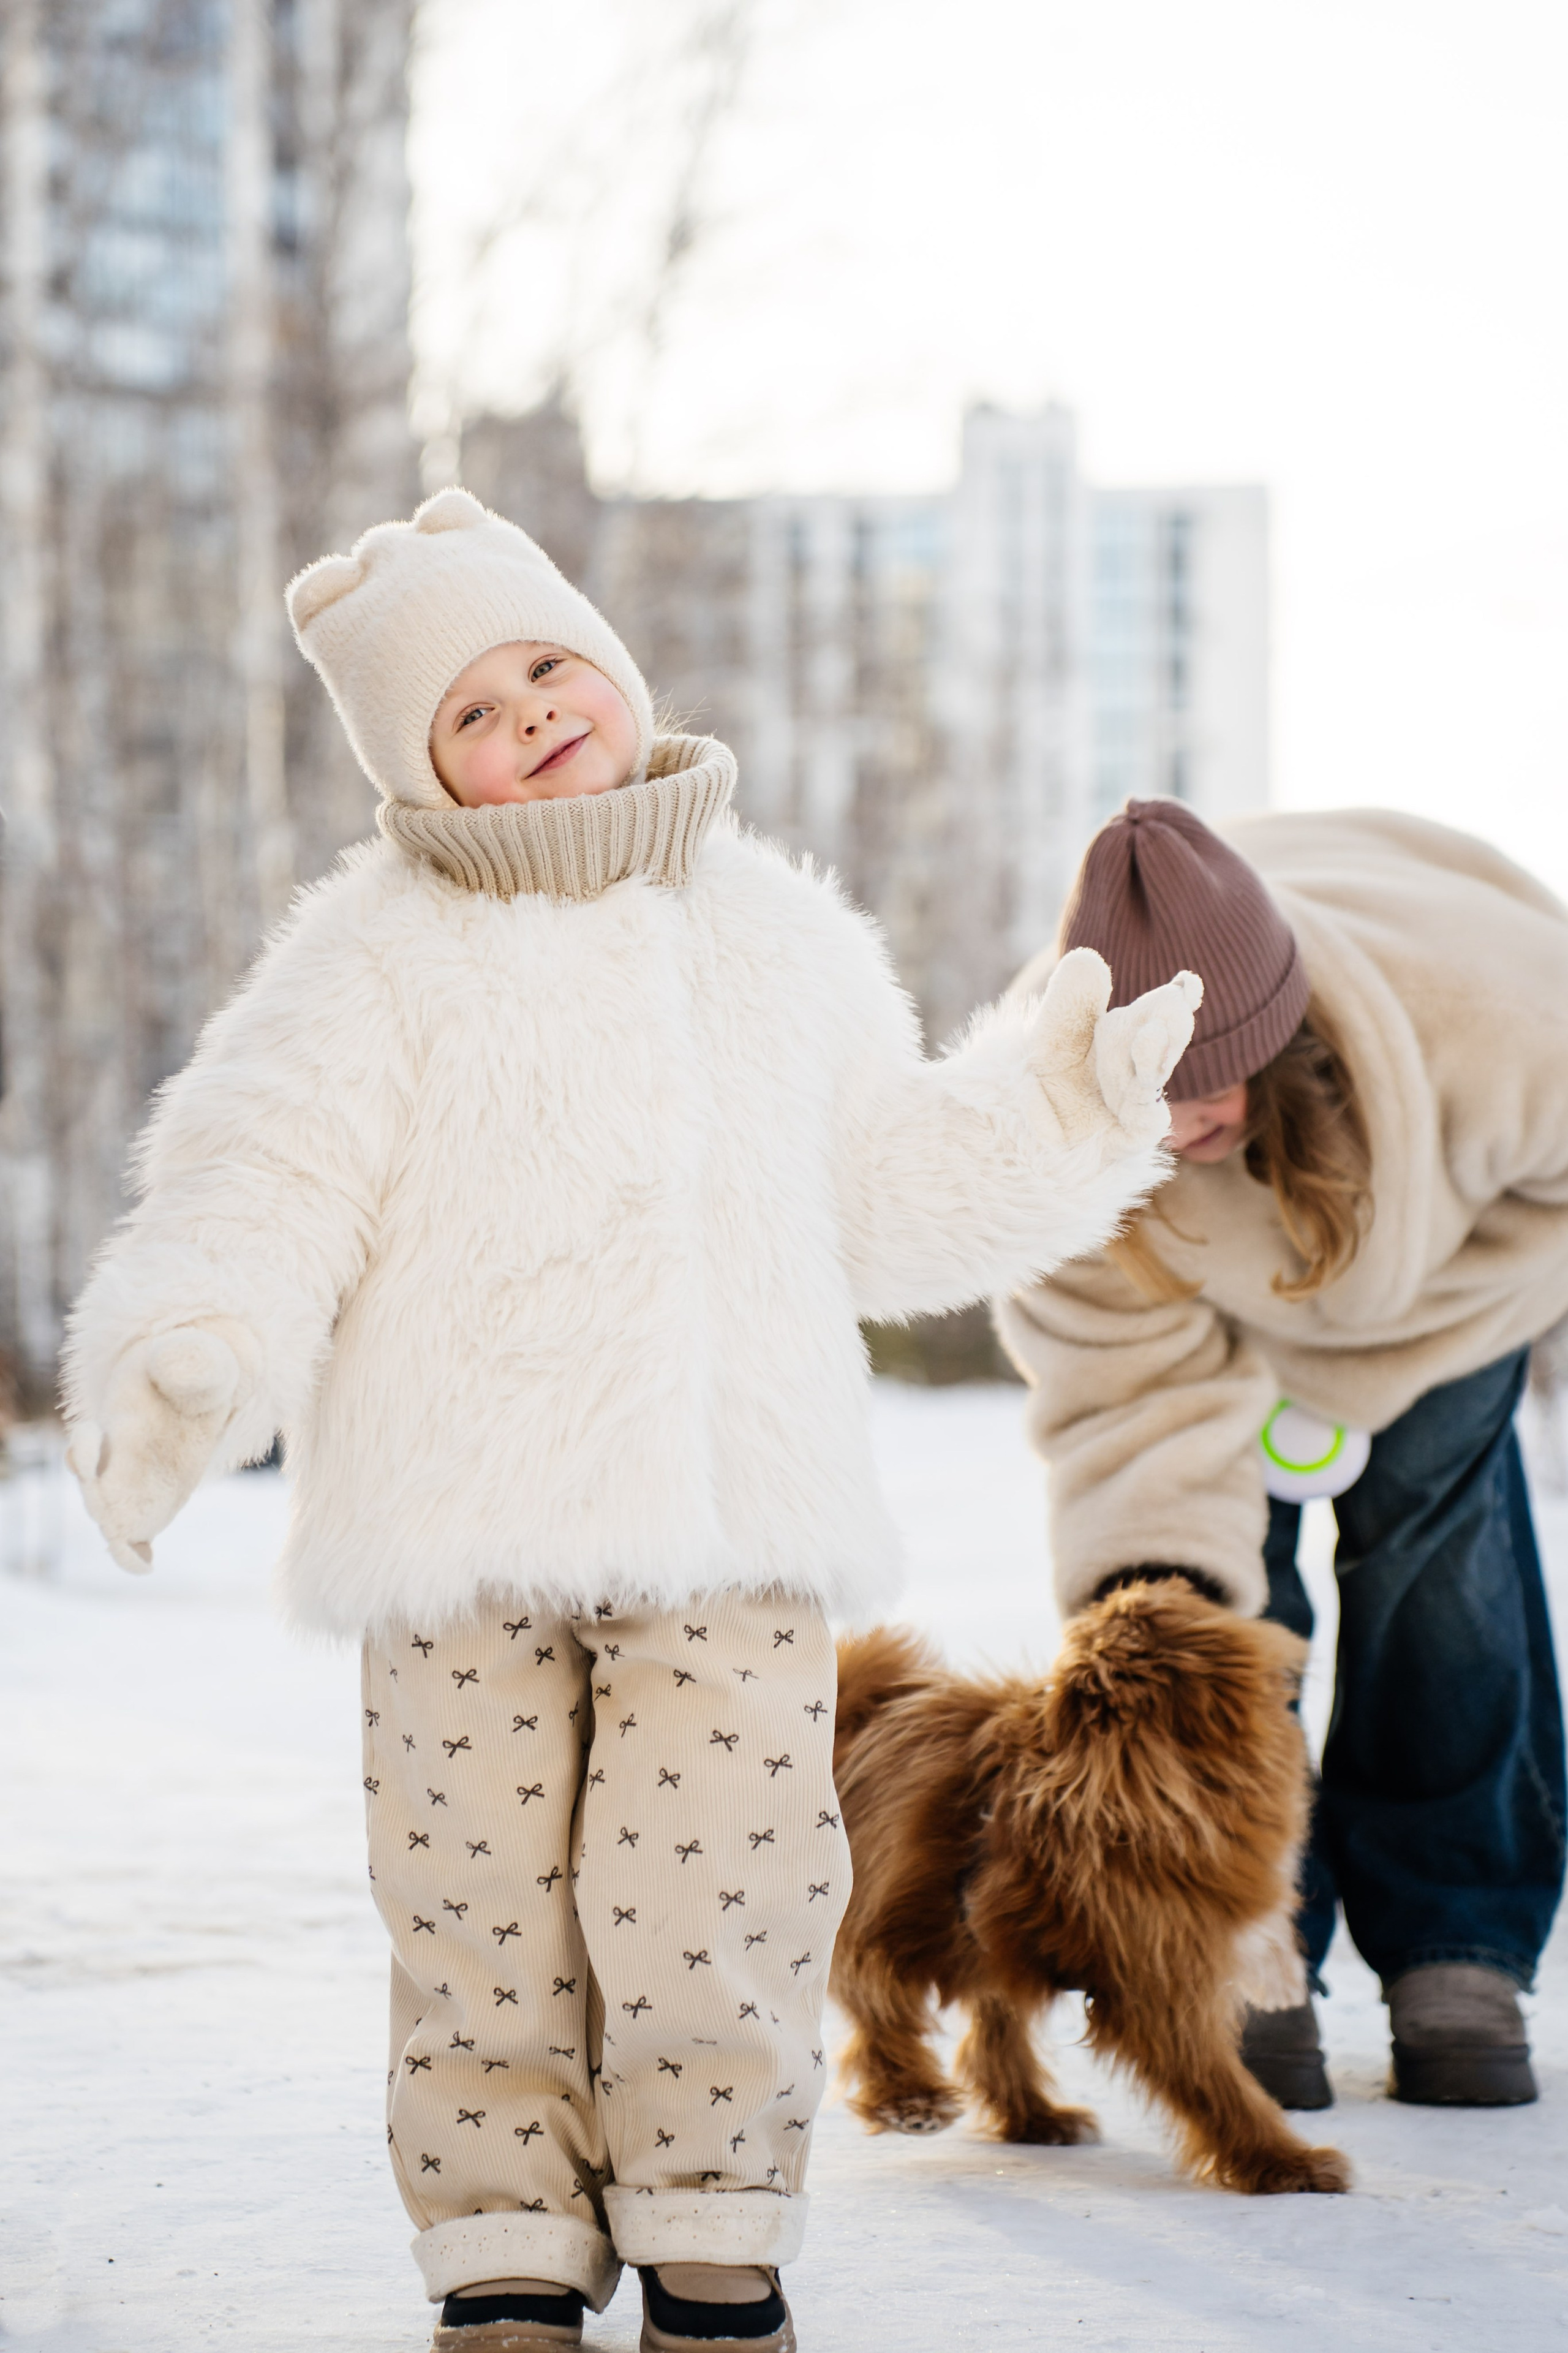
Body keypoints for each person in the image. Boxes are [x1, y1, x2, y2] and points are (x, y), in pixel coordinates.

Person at [63, 491, 1199, 2353]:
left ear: (614, 662)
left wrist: (1062, 1104)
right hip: (457, 1531)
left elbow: (889, 1191)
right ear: (420, 773)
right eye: (470, 712)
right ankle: (503, 2247)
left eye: (545, 663)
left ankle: (715, 2229)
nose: (527, 711)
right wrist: (187, 1347)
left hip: (727, 1520)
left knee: (721, 1894)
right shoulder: (369, 957)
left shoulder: (776, 934)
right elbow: (262, 1167)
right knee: (474, 1906)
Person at [999, 796, 1568, 2114]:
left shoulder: (1501, 1026)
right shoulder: (1035, 1120)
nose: (1167, 1118)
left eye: (1194, 1082)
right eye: (1136, 1085)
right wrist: (1162, 1594)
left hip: (1441, 1274)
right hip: (1192, 1327)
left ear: (1273, 1041)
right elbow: (1119, 1391)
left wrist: (1406, 1345)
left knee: (1438, 1566)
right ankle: (1242, 1935)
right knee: (1211, 1616)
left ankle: (1457, 1941)